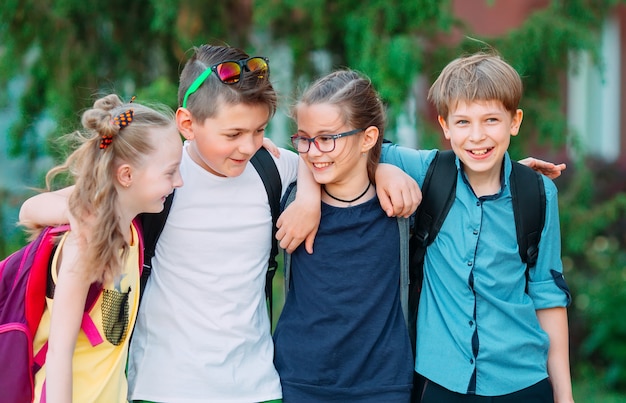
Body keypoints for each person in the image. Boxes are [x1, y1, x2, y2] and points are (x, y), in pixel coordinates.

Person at [20, 45, 421, 402]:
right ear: (188, 124)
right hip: (166, 386)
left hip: (257, 385)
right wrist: (87, 219)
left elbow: (334, 159)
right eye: (233, 133)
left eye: (259, 130)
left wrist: (381, 171)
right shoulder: (160, 179)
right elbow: (32, 211)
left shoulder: (271, 166)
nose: (247, 145)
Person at [379, 52, 574, 402]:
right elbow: (346, 147)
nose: (477, 136)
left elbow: (547, 294)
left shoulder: (538, 192)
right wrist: (383, 169)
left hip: (522, 382)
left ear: (514, 122)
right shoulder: (427, 172)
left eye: (491, 120)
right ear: (445, 126)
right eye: (464, 122)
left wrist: (565, 395)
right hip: (439, 381)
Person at [20, 94, 184, 402]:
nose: (179, 182)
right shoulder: (82, 246)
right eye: (170, 172)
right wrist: (78, 218)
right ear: (126, 175)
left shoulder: (133, 233)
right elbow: (59, 354)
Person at [272, 70, 415, 401]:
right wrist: (307, 196)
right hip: (300, 382)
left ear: (367, 138)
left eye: (326, 138)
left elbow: (465, 179)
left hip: (383, 384)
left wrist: (517, 173)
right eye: (304, 138)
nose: (313, 150)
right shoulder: (290, 202)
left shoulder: (399, 204)